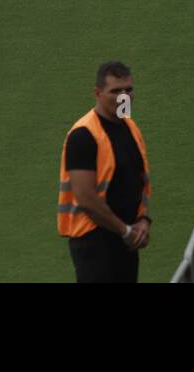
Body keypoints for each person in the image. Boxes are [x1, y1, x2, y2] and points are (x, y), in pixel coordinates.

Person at [58, 61, 152, 283]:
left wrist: (143, 220)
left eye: (128, 90)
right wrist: (126, 231)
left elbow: (138, 180)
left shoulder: (130, 127)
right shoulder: (83, 136)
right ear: (97, 93)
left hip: (125, 240)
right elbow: (86, 199)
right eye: (116, 91)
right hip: (94, 242)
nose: (124, 97)